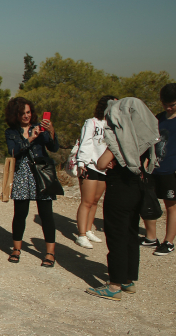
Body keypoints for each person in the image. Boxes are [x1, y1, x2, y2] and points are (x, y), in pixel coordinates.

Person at [86, 97, 160, 300]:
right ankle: (128, 279)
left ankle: (114, 285)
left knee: (116, 234)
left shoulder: (122, 141)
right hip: (137, 188)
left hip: (119, 189)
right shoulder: (145, 139)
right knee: (130, 233)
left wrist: (107, 161)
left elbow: (101, 164)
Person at [4, 97, 60, 267]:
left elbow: (54, 148)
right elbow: (13, 151)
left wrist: (51, 132)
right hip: (22, 173)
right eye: (22, 113)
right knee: (20, 213)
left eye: (29, 112)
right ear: (16, 115)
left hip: (41, 172)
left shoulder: (40, 128)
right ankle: (16, 249)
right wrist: (29, 139)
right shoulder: (11, 132)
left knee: (46, 214)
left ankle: (50, 253)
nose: (27, 116)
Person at [74, 95, 118, 249]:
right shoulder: (91, 122)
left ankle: (88, 229)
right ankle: (81, 235)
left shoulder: (114, 125)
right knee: (86, 201)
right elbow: (85, 142)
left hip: (104, 168)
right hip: (90, 166)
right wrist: (82, 162)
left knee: (95, 201)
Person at [140, 83, 176, 256]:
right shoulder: (159, 118)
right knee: (147, 201)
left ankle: (168, 242)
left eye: (172, 105)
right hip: (154, 167)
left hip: (172, 170)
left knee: (171, 206)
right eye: (165, 104)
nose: (168, 108)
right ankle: (151, 237)